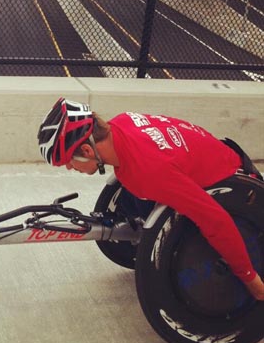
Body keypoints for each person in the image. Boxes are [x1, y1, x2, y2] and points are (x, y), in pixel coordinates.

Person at [37, 97, 264, 301]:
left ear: (87, 150)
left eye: (68, 161)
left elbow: (216, 221)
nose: (70, 168)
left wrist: (250, 279)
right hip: (218, 156)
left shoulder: (149, 172)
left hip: (235, 189)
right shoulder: (122, 122)